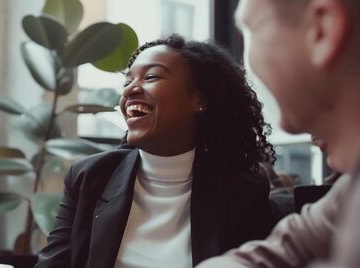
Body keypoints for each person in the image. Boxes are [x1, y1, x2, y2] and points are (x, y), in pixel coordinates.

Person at [35, 34, 277, 268]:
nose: (130, 90)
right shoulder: (90, 176)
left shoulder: (241, 189)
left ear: (199, 100)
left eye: (151, 77)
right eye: (128, 81)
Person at [197, 0, 360, 266]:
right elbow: (293, 245)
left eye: (252, 31)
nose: (244, 65)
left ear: (322, 30)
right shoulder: (348, 190)